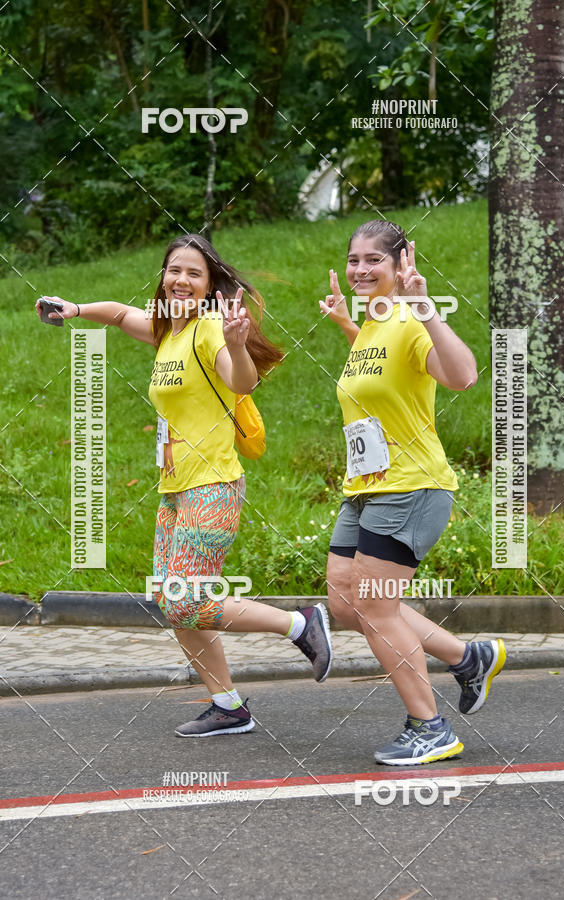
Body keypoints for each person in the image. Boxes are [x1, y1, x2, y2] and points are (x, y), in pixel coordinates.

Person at [36, 234, 333, 737]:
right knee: (173, 602)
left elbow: (241, 383)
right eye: (174, 270)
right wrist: (76, 308)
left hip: (212, 486)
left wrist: (238, 346)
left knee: (184, 600)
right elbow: (118, 314)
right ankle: (228, 705)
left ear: (210, 285)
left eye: (194, 273)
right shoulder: (169, 332)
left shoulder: (210, 331)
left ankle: (302, 624)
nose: (181, 280)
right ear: (164, 276)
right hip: (175, 490)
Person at [319, 220, 506, 766]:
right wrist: (348, 328)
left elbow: (463, 375)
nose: (359, 269)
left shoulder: (409, 319)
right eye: (353, 259)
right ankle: (466, 658)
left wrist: (425, 307)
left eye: (373, 260)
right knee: (347, 601)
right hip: (365, 488)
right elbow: (384, 379)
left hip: (411, 487)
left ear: (401, 266)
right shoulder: (376, 325)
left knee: (376, 604)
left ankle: (430, 727)